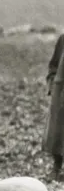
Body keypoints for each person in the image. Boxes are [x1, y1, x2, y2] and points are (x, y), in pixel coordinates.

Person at [43, 32, 64, 181]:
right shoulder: (63, 39)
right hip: (61, 91)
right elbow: (53, 65)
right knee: (58, 132)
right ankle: (56, 168)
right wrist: (52, 84)